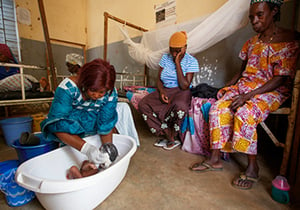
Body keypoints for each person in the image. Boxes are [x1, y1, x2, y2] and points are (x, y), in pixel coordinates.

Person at [189, 0, 300, 190]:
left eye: (259, 15)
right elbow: (242, 72)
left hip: (271, 90)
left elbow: (281, 79)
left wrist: (249, 96)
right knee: (217, 107)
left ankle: (252, 168)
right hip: (245, 87)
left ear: (274, 11)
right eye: (251, 17)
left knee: (245, 113)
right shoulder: (251, 43)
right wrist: (227, 87)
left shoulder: (290, 39)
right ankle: (215, 159)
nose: (254, 21)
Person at [41, 58, 139, 169]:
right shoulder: (68, 89)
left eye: (101, 92)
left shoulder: (110, 93)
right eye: (93, 90)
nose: (96, 95)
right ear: (85, 83)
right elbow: (58, 125)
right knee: (73, 162)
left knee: (92, 164)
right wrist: (86, 149)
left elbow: (106, 123)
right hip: (71, 132)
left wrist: (107, 149)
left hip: (93, 129)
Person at [138, 31, 199, 150]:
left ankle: (173, 135)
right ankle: (166, 133)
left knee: (180, 106)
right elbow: (159, 79)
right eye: (172, 50)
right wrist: (161, 92)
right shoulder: (165, 58)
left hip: (181, 92)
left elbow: (184, 86)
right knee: (143, 104)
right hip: (166, 89)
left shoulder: (191, 61)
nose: (174, 53)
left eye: (178, 50)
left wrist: (177, 63)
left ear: (185, 48)